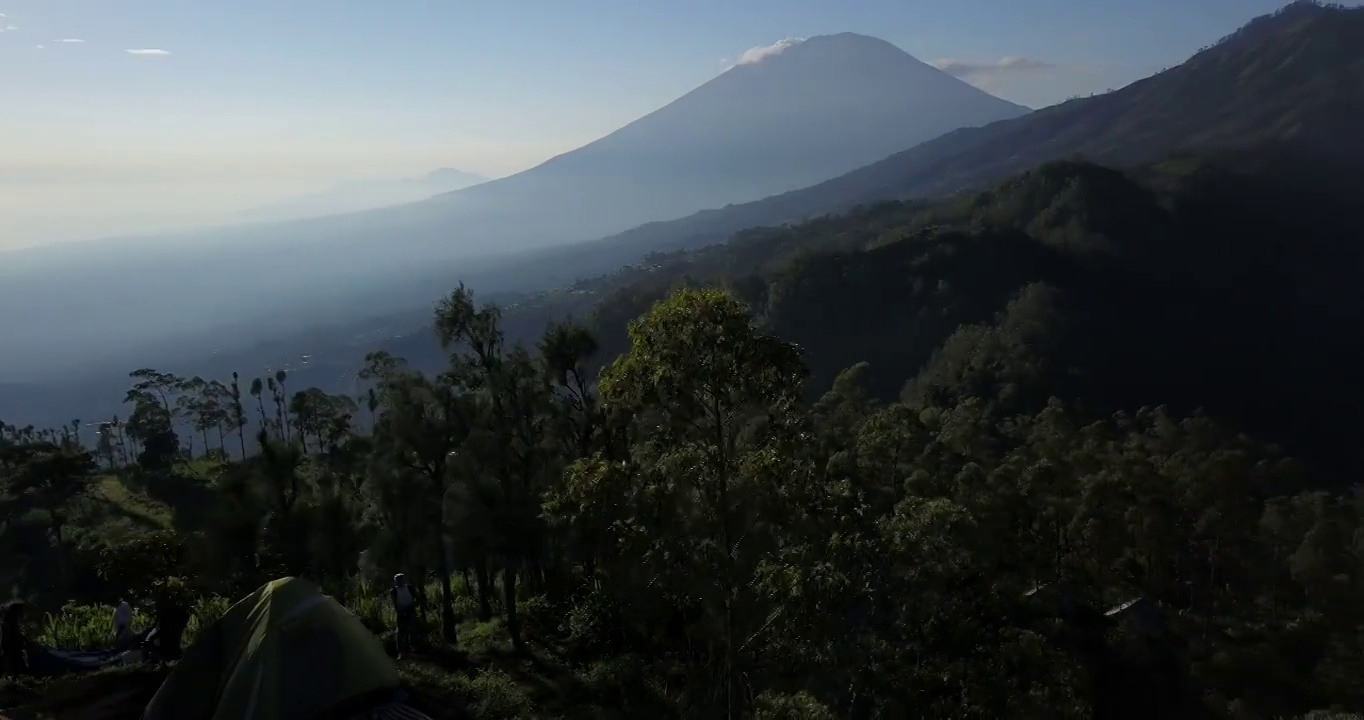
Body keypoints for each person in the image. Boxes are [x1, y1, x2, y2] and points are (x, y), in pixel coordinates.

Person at [0, 601, 30, 677]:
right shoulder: (7, 626)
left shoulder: (11, 625)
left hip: (14, 652)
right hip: (10, 653)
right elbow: (6, 643)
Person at [390, 573, 416, 659]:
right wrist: (400, 611)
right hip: (401, 612)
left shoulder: (409, 587)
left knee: (412, 630)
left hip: (410, 610)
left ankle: (412, 648)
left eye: (401, 579)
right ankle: (401, 652)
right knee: (400, 633)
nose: (399, 581)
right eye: (398, 580)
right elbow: (395, 603)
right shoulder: (394, 591)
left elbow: (414, 598)